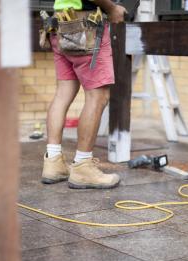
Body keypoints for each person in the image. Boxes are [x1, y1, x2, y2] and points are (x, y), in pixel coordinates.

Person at [42, 0, 126, 189]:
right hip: (85, 27)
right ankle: (83, 166)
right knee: (97, 97)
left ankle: (53, 162)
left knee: (63, 94)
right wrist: (112, 8)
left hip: (59, 25)